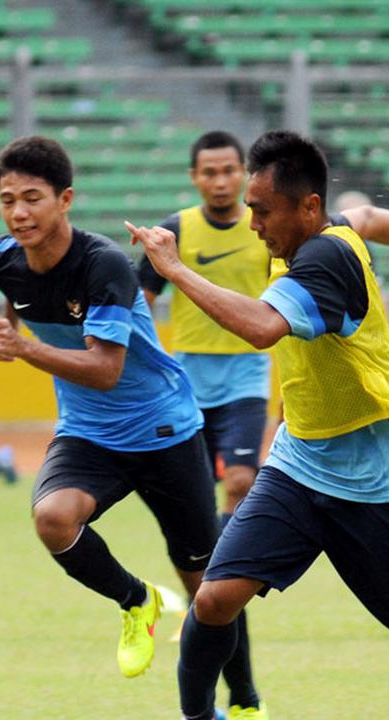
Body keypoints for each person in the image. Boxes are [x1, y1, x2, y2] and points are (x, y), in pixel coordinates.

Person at [130, 130, 389, 720]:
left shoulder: (326, 258)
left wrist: (176, 270)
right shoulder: (320, 230)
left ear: (307, 207)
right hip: (298, 466)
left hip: (373, 484)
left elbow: (263, 327)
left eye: (261, 211)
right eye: (250, 209)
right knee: (214, 599)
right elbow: (369, 216)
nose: (252, 223)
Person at [0, 136, 263, 716]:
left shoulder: (102, 265)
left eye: (33, 198)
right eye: (8, 200)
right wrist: (7, 332)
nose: (19, 212)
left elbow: (105, 369)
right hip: (88, 433)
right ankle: (138, 602)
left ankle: (247, 701)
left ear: (65, 200)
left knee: (210, 589)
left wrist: (23, 348)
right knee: (53, 520)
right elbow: (17, 299)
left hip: (164, 432)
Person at [136, 131, 271, 527]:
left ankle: (222, 568)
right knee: (191, 487)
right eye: (209, 172)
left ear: (245, 173)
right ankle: (207, 568)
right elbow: (141, 301)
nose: (220, 181)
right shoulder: (175, 229)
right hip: (189, 376)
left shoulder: (262, 228)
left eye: (229, 171)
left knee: (240, 480)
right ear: (194, 176)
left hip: (247, 371)